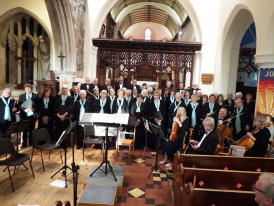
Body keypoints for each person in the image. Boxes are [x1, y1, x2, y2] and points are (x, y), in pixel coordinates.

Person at [18, 84, 39, 148]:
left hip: (32, 115)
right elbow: (19, 106)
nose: (28, 89)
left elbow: (38, 105)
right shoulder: (21, 96)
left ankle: (31, 143)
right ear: (25, 89)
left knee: (31, 129)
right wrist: (24, 110)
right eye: (26, 88)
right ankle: (24, 143)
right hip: (24, 115)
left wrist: (33, 109)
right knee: (24, 129)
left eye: (29, 88)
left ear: (31, 89)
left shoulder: (35, 96)